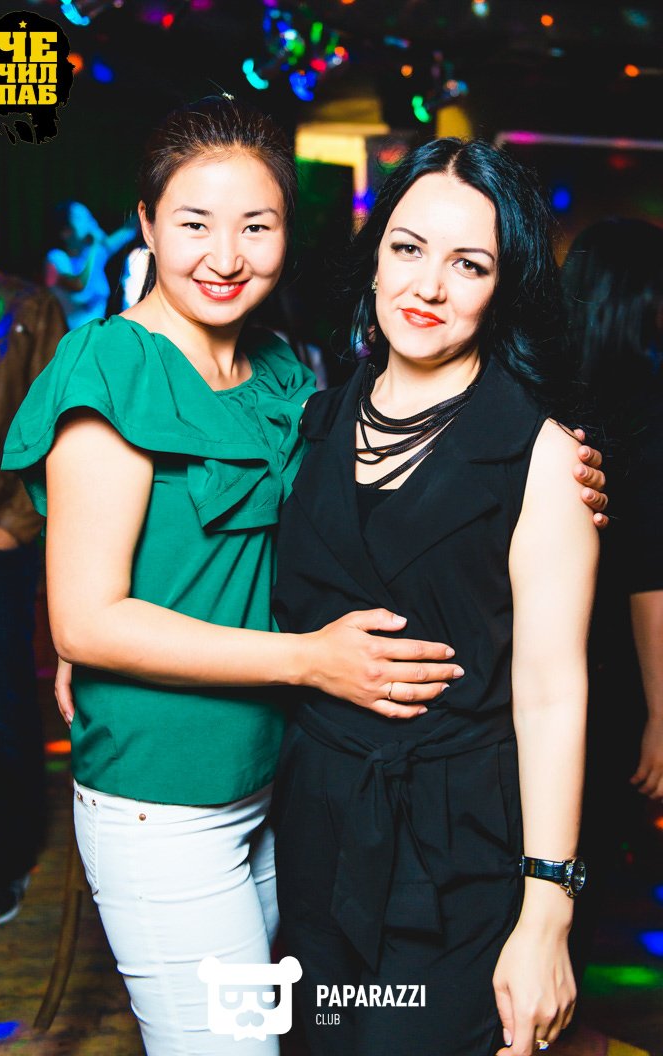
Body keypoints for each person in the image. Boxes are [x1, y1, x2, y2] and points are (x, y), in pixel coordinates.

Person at [7, 100, 607, 1055]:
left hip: (294, 801)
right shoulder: (125, 367)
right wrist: (112, 638)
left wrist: (548, 904)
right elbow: (88, 613)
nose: (225, 255)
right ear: (146, 223)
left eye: (257, 225)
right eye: (195, 223)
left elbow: (538, 672)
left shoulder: (293, 385)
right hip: (174, 796)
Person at [271, 139, 600, 1056]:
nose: (429, 286)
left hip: (457, 849)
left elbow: (551, 692)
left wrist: (547, 910)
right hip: (318, 824)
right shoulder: (318, 420)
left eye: (470, 264)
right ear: (375, 253)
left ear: (506, 286)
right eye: (409, 248)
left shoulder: (543, 453)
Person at [0, 171, 65, 925]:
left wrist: (16, 524)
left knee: (3, 705)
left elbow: (61, 428)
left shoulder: (27, 309)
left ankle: (9, 857)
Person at [561, 218, 663, 986]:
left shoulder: (538, 388)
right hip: (613, 671)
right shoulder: (648, 407)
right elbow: (648, 575)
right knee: (586, 852)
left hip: (541, 659)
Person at [44, 201, 138, 329]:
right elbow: (78, 285)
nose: (89, 221)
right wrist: (94, 246)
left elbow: (128, 230)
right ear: (66, 231)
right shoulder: (55, 258)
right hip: (71, 336)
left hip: (94, 335)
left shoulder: (92, 255)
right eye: (79, 218)